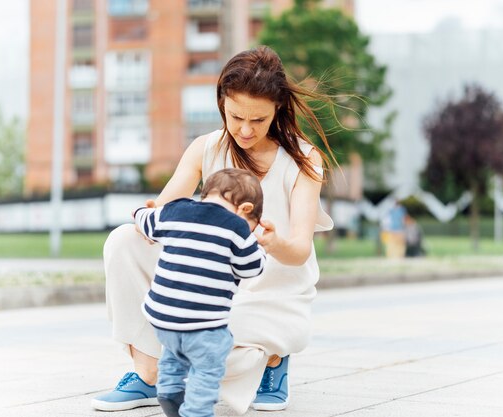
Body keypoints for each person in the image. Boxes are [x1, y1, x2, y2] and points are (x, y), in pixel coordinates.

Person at [92, 45, 335, 414]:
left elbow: (299, 249)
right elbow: (163, 213)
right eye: (236, 116)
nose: (245, 129)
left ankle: (272, 359)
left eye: (258, 120)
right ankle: (148, 371)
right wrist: (149, 214)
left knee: (205, 341)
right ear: (222, 101)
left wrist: (274, 242)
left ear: (278, 110)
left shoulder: (304, 160)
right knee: (124, 240)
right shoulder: (206, 147)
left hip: (271, 299)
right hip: (210, 291)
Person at [128, 168, 266, 417]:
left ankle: (169, 391)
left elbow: (144, 219)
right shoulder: (237, 227)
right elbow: (251, 268)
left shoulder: (175, 210)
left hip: (163, 318)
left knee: (174, 351)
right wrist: (259, 245)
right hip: (203, 325)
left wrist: (142, 212)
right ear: (246, 209)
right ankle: (197, 411)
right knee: (208, 367)